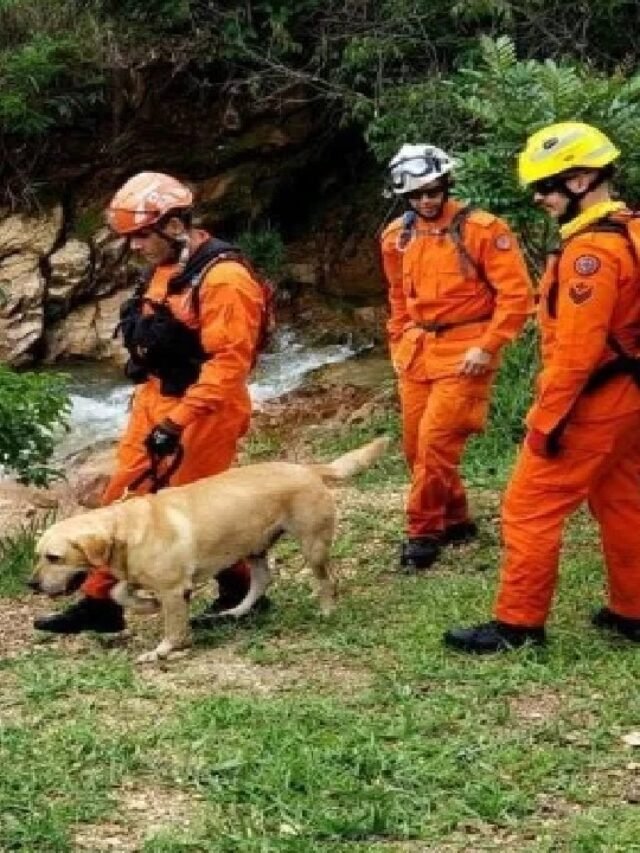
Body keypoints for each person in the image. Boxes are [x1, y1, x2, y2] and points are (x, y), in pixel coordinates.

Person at [34, 172, 268, 634]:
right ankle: (101, 603)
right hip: (156, 399)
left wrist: (178, 420)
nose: (135, 247)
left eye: (141, 236)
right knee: (120, 499)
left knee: (200, 513)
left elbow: (228, 365)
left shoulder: (225, 280)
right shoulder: (167, 268)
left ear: (174, 226)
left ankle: (241, 591)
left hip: (205, 411)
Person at [445, 121, 640, 653]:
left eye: (545, 187)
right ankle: (633, 609)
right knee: (623, 500)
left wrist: (545, 422)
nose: (538, 198)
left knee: (529, 506)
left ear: (580, 180)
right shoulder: (630, 229)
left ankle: (518, 624)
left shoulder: (591, 255)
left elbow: (575, 354)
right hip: (628, 398)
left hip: (593, 400)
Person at [380, 143, 532, 571]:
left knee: (434, 445)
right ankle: (456, 515)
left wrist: (488, 346)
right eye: (416, 195)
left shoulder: (482, 229)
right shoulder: (397, 237)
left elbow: (516, 297)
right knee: (416, 447)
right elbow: (397, 296)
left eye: (432, 190)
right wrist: (397, 338)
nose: (426, 200)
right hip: (417, 350)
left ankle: (423, 531)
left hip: (466, 349)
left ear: (446, 184)